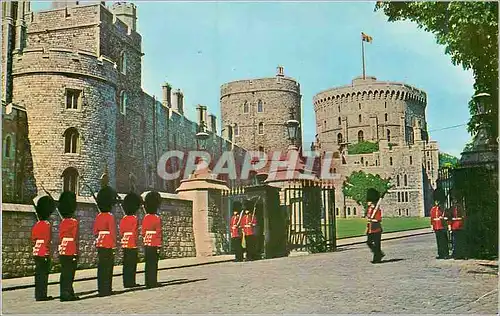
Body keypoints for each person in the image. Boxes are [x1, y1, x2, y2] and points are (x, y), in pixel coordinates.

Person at [93, 186, 118, 297]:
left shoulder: (98, 216)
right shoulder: (110, 216)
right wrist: (114, 245)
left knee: (101, 266)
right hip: (108, 243)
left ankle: (100, 289)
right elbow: (112, 231)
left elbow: (95, 231)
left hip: (100, 243)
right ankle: (107, 288)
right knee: (108, 267)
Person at [31, 195, 56, 301]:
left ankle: (38, 294)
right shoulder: (47, 224)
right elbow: (48, 239)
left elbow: (33, 238)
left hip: (36, 250)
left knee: (38, 274)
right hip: (43, 251)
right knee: (44, 274)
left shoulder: (37, 224)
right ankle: (42, 295)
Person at [58, 191, 80, 301]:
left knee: (64, 272)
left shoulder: (63, 222)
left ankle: (65, 292)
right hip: (71, 248)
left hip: (63, 248)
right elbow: (75, 238)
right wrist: (76, 252)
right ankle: (68, 293)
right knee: (70, 273)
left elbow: (60, 236)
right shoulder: (74, 222)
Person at [120, 192, 142, 288]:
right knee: (132, 263)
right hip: (132, 242)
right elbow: (135, 231)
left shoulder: (123, 218)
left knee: (126, 263)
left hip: (124, 241)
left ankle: (126, 282)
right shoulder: (134, 218)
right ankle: (131, 282)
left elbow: (121, 231)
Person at [142, 191, 162, 288]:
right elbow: (158, 232)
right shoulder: (156, 218)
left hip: (147, 241)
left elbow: (143, 231)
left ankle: (147, 281)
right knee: (153, 263)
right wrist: (159, 245)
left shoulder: (146, 217)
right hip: (154, 241)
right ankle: (153, 281)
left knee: (148, 263)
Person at [365, 188, 385, 264]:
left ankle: (377, 259)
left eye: (369, 201)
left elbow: (378, 220)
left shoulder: (377, 210)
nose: (367, 202)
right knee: (369, 242)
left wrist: (371, 220)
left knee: (377, 244)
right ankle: (379, 254)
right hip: (370, 228)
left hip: (376, 228)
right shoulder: (370, 209)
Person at [430, 189, 449, 259]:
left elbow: (446, 216)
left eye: (437, 201)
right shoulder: (433, 209)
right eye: (436, 201)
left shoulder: (443, 209)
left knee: (444, 241)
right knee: (439, 241)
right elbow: (432, 218)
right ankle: (440, 254)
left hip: (442, 226)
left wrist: (443, 219)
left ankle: (445, 254)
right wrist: (432, 226)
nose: (436, 202)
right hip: (436, 227)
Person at [450, 194, 467, 259]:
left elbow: (463, 216)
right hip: (454, 226)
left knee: (461, 241)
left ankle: (462, 254)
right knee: (456, 242)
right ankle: (457, 255)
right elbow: (449, 217)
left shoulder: (461, 208)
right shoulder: (452, 208)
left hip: (460, 226)